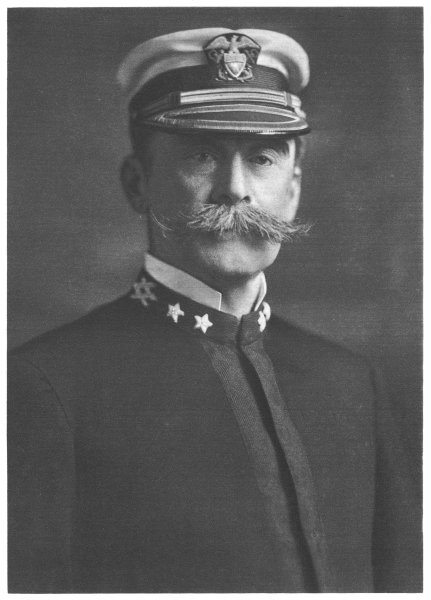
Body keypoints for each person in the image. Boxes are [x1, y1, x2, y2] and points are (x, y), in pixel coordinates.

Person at [8, 27, 421, 593]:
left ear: (293, 188)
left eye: (262, 158)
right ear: (138, 183)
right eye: (201, 155)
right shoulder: (45, 385)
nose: (235, 189)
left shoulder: (349, 381)